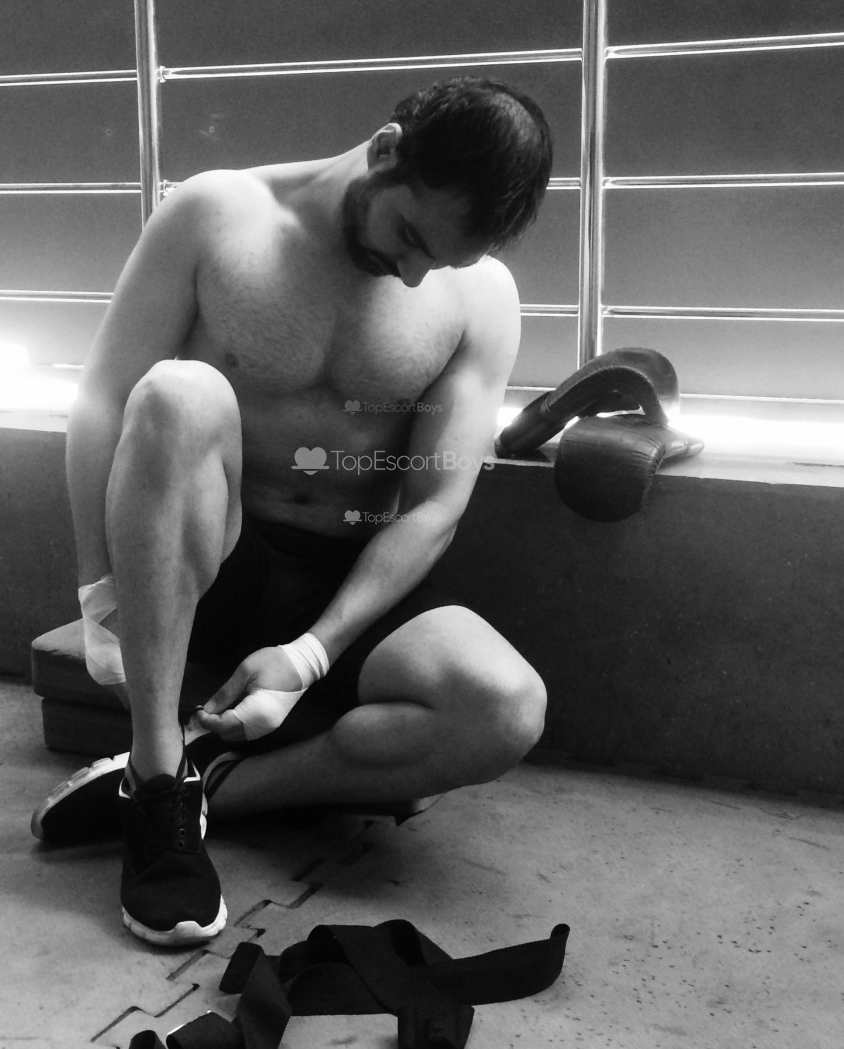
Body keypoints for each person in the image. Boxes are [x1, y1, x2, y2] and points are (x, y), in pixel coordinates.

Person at [32, 76, 552, 948]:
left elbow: (435, 505)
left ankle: (205, 788)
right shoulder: (214, 214)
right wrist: (96, 592)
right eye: (410, 236)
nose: (414, 273)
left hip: (347, 577)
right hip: (209, 561)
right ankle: (156, 781)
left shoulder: (483, 298)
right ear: (386, 151)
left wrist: (312, 654)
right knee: (178, 393)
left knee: (503, 708)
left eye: (440, 262)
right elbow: (102, 403)